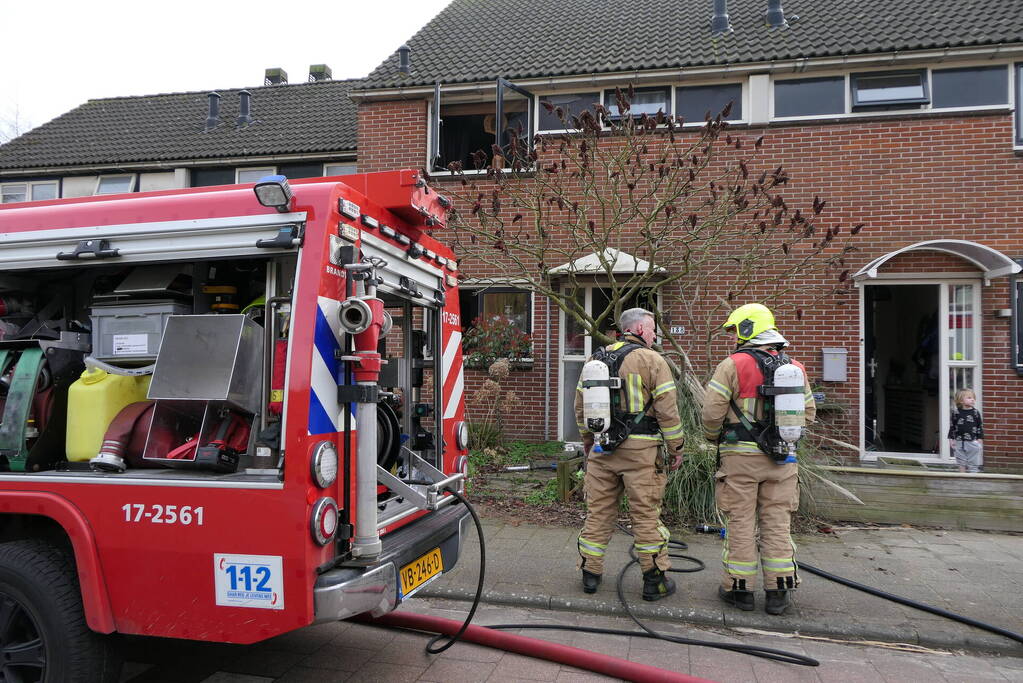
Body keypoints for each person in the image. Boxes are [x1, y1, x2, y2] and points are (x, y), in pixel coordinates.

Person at [701, 303, 816, 616]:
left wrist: (713, 438)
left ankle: (739, 591)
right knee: (778, 523)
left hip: (739, 458)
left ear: (746, 329)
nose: (734, 337)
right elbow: (808, 413)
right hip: (783, 459)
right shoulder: (795, 366)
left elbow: (711, 412)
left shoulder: (733, 364)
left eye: (735, 330)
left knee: (740, 522)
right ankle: (779, 591)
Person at [574, 308, 686, 602]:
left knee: (597, 514)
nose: (653, 336)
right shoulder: (653, 360)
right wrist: (677, 449)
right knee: (646, 516)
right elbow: (668, 412)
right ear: (637, 328)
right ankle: (654, 581)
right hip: (642, 452)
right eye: (651, 330)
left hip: (602, 450)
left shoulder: (595, 359)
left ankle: (590, 575)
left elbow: (580, 405)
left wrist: (588, 442)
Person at [948, 388, 983, 473]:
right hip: (959, 442)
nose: (972, 400)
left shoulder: (975, 412)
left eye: (973, 398)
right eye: (969, 398)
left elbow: (979, 426)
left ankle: (973, 479)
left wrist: (980, 439)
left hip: (972, 441)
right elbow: (952, 426)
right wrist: (951, 439)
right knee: (961, 462)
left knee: (973, 462)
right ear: (961, 401)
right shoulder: (956, 412)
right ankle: (962, 477)